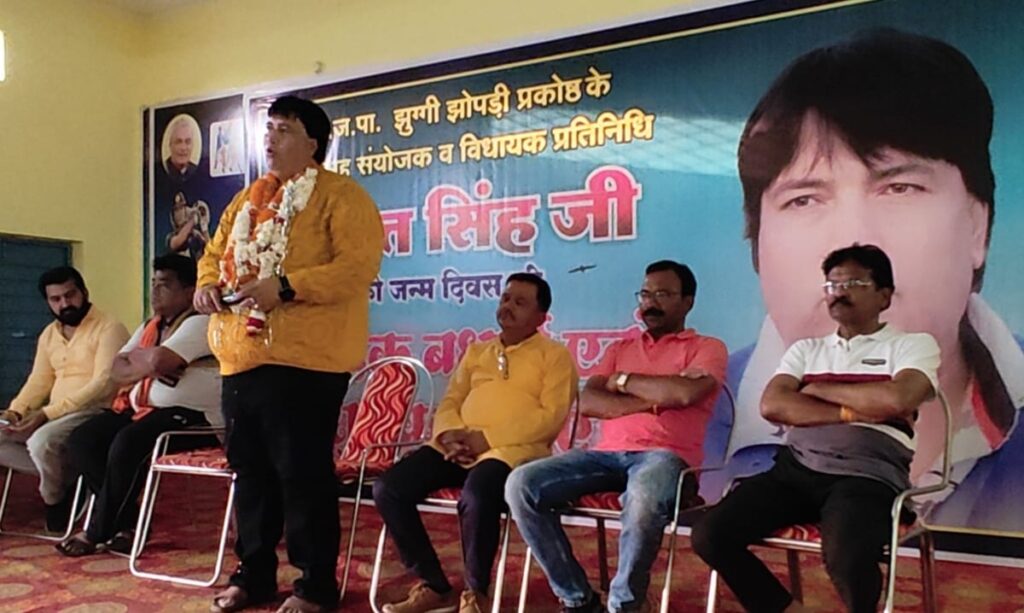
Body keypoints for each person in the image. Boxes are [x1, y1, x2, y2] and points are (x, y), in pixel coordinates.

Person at [704, 28, 1024, 534]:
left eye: (900, 187)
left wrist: (822, 399)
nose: (853, 240)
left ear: (977, 226)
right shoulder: (712, 406)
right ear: (757, 242)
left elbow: (899, 397)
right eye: (804, 199)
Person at [195, 95, 383, 613]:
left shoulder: (342, 197)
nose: (270, 140)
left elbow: (357, 268)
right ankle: (253, 576)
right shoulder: (246, 200)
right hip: (241, 358)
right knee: (251, 475)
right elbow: (214, 254)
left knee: (301, 476)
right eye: (268, 129)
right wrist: (207, 284)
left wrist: (286, 285)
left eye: (283, 130)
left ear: (313, 143)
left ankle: (315, 585)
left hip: (306, 363)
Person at [693, 244, 940, 613]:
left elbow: (898, 398)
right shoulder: (805, 350)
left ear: (884, 296)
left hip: (866, 475)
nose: (839, 292)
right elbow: (773, 405)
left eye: (853, 283)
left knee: (847, 555)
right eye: (832, 285)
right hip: (796, 469)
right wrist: (852, 411)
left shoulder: (911, 345)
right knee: (710, 534)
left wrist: (817, 389)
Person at [506, 260, 727, 613]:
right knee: (521, 484)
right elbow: (590, 401)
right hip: (605, 456)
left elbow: (685, 394)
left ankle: (625, 605)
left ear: (687, 302)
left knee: (642, 497)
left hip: (667, 458)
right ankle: (577, 599)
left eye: (663, 294)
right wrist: (655, 399)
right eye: (645, 294)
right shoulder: (619, 349)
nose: (651, 302)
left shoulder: (707, 347)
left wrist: (622, 382)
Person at [374, 273, 577, 613]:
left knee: (478, 494)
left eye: (520, 302)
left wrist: (487, 439)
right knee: (389, 488)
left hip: (512, 452)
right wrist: (449, 435)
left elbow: (550, 418)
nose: (507, 307)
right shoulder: (477, 351)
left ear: (541, 317)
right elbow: (451, 400)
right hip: (458, 447)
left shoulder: (555, 356)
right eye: (505, 298)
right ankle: (434, 585)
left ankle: (475, 593)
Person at [56, 254, 221, 557]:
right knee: (83, 439)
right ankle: (128, 524)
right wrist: (150, 364)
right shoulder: (150, 326)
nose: (154, 290)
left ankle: (97, 531)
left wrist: (145, 362)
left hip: (195, 417)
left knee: (128, 442)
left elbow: (158, 360)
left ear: (190, 292)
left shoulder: (201, 323)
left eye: (165, 284)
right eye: (153, 283)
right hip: (144, 410)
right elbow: (116, 369)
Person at [0, 267, 129, 531]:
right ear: (48, 302)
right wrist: (15, 411)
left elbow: (103, 384)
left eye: (70, 295)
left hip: (95, 411)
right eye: (56, 299)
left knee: (41, 442)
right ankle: (68, 478)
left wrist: (46, 414)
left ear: (84, 292)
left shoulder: (109, 327)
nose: (65, 304)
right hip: (55, 415)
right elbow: (39, 380)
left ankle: (54, 498)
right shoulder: (49, 334)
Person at [163, 115, 200, 183]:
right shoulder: (163, 170)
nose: (183, 148)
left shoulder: (196, 170)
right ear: (170, 145)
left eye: (188, 142)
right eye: (178, 142)